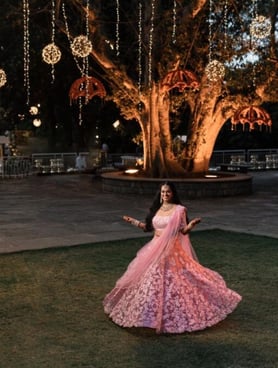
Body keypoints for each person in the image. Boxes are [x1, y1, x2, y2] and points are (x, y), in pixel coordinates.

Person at [103, 182, 242, 334]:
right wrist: (133, 222)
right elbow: (148, 228)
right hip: (154, 249)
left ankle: (175, 313)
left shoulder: (179, 210)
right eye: (163, 192)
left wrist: (191, 225)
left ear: (173, 193)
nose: (165, 195)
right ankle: (147, 314)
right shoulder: (157, 209)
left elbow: (183, 231)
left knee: (175, 279)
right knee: (149, 279)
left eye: (168, 192)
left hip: (170, 250)